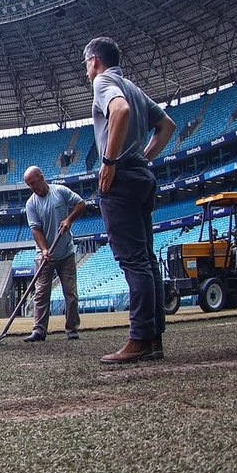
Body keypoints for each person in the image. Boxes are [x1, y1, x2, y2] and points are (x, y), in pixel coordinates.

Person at [84, 36, 177, 364]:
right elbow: (167, 125)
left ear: (94, 60)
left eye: (86, 64)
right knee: (148, 260)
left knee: (134, 261)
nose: (86, 71)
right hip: (141, 176)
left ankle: (139, 339)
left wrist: (110, 162)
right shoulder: (133, 86)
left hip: (121, 178)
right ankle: (154, 339)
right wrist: (143, 157)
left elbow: (118, 110)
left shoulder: (104, 81)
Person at [20, 166, 87, 342]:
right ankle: (39, 330)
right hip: (44, 256)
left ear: (41, 178)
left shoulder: (60, 191)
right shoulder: (31, 204)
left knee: (70, 293)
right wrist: (43, 249)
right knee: (41, 293)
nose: (31, 187)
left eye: (33, 182)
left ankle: (72, 329)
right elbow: (35, 229)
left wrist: (69, 219)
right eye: (28, 184)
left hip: (65, 253)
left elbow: (81, 203)